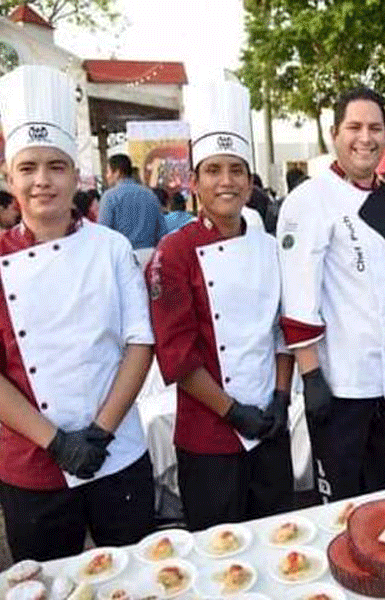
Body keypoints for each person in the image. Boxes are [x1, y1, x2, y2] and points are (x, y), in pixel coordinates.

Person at [0, 65, 155, 561]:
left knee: (137, 581)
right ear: (9, 177)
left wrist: (100, 431)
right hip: (33, 468)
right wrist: (56, 443)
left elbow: (139, 343)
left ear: (76, 176)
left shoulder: (113, 247)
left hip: (118, 454)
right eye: (29, 168)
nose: (42, 181)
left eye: (56, 166)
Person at [147, 78, 293, 531]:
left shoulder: (269, 247)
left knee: (277, 545)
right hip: (208, 437)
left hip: (269, 427)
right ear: (194, 182)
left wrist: (281, 400)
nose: (226, 181)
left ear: (250, 183)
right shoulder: (173, 252)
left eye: (236, 170)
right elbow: (177, 353)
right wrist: (232, 412)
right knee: (218, 556)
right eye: (213, 170)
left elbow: (281, 332)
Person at [277, 87, 385, 502]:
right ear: (334, 133)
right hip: (341, 386)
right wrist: (312, 375)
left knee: (380, 497)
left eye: (375, 128)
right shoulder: (309, 200)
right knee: (338, 507)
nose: (365, 137)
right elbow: (297, 295)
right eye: (354, 127)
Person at [98, 153, 168, 265]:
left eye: (108, 172)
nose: (107, 176)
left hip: (122, 259)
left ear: (117, 172)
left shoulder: (109, 197)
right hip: (150, 258)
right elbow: (162, 232)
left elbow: (103, 233)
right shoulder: (150, 195)